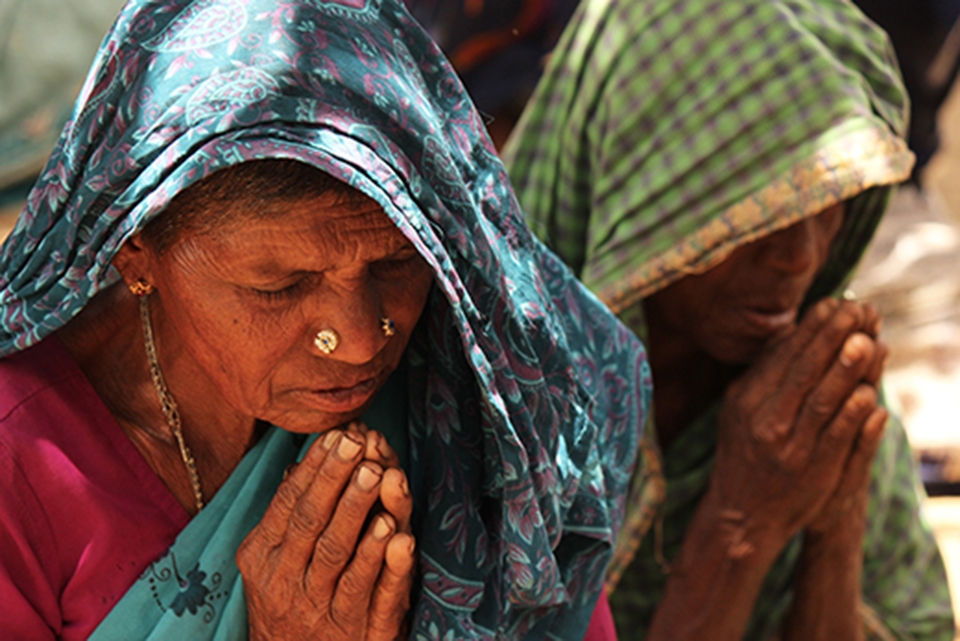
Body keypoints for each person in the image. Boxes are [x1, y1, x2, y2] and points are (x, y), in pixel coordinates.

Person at [0, 0, 651, 639]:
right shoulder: (20, 463)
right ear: (133, 249)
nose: (361, 340)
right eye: (281, 286)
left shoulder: (487, 396)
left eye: (396, 265)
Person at [503, 0, 955, 638]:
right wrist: (740, 528)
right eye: (758, 212)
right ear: (644, 196)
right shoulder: (499, 399)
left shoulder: (810, 386)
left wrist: (836, 516)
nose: (799, 257)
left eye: (829, 202)